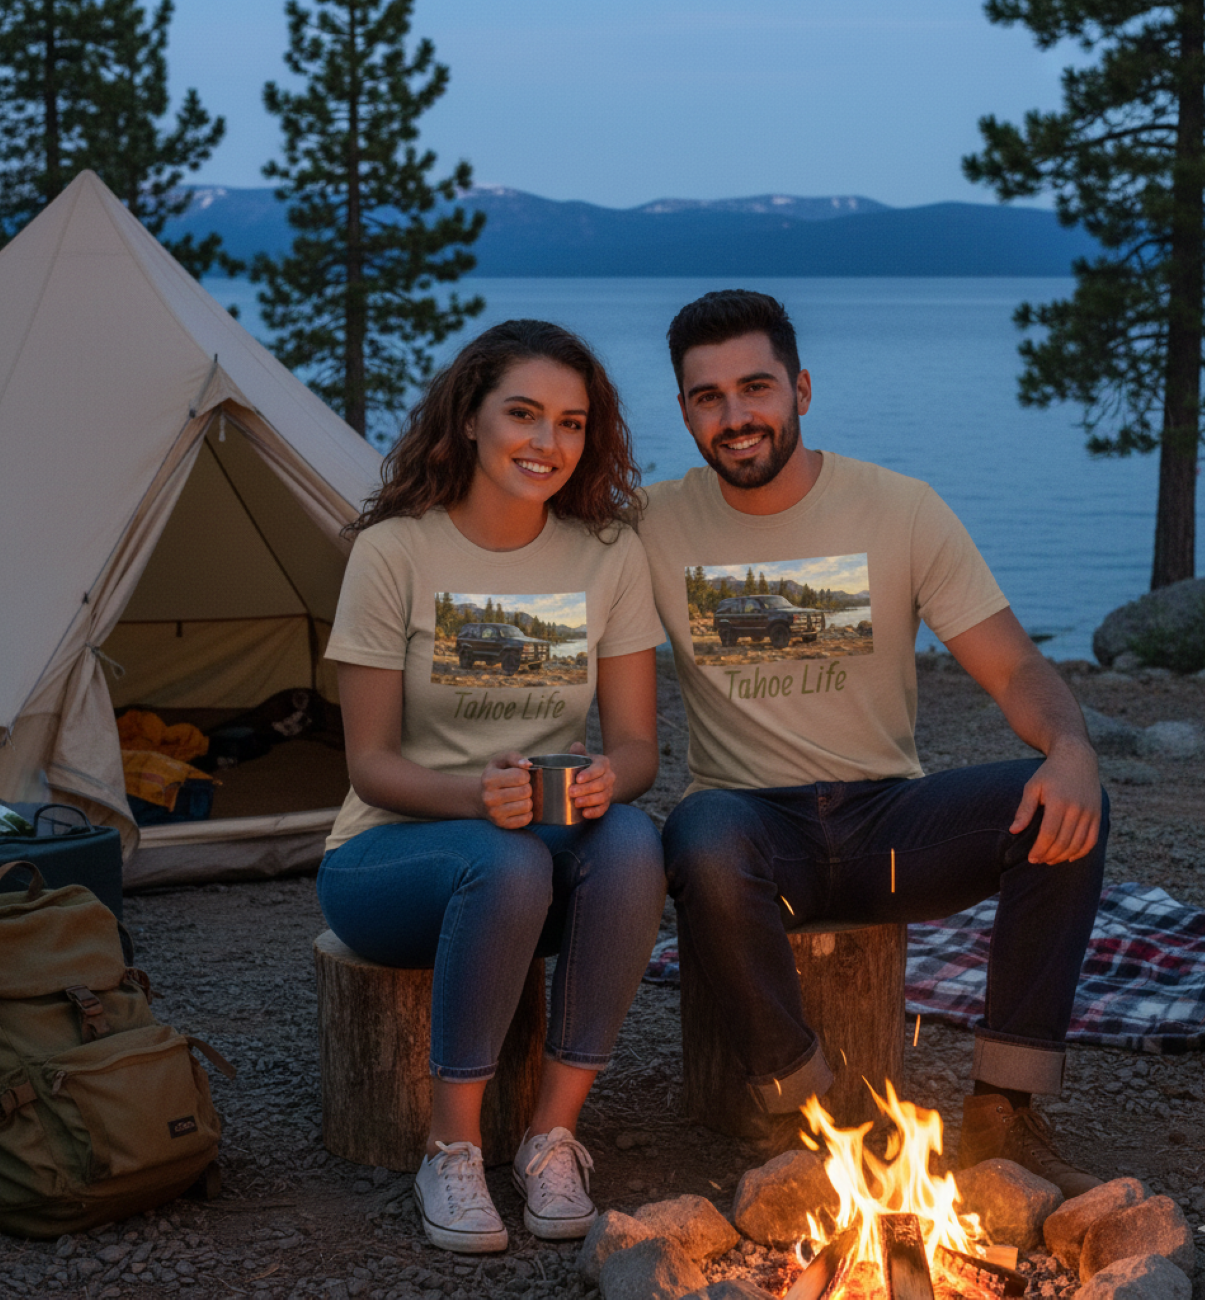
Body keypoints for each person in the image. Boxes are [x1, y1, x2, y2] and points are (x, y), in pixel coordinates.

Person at [638, 290, 1108, 1198]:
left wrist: (1072, 748)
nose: (736, 417)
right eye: (708, 397)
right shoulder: (652, 524)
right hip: (753, 829)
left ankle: (1004, 1113)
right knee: (697, 834)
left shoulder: (900, 509)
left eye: (756, 387)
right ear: (687, 410)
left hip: (890, 819)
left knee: (1061, 802)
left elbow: (1014, 669)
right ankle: (804, 1120)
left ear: (802, 389)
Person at [317, 320, 667, 1253]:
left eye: (571, 422)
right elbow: (369, 764)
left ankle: (552, 1136)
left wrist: (603, 780)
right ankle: (453, 1148)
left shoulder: (607, 554)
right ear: (468, 417)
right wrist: (478, 797)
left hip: (538, 848)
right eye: (523, 414)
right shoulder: (395, 551)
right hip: (390, 858)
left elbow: (638, 747)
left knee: (634, 839)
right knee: (504, 861)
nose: (547, 443)